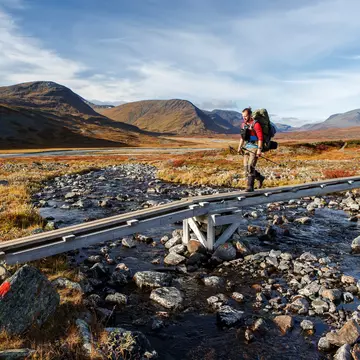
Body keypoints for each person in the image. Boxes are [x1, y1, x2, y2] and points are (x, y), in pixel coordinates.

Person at [237, 107, 265, 192]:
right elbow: (242, 137)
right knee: (246, 167)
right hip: (247, 147)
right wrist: (239, 147)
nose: (244, 118)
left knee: (251, 166)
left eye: (245, 116)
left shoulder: (256, 124)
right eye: (243, 116)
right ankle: (260, 177)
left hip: (255, 147)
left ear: (250, 115)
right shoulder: (243, 125)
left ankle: (250, 186)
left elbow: (260, 138)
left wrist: (259, 149)